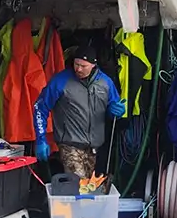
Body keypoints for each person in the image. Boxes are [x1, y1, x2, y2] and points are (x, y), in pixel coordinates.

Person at [33, 47, 125, 179]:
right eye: (76, 64)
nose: (79, 69)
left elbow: (114, 107)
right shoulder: (60, 81)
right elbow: (40, 108)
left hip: (94, 147)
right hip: (70, 145)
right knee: (78, 185)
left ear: (93, 65)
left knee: (89, 187)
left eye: (83, 66)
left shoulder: (106, 83)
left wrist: (117, 112)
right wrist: (41, 139)